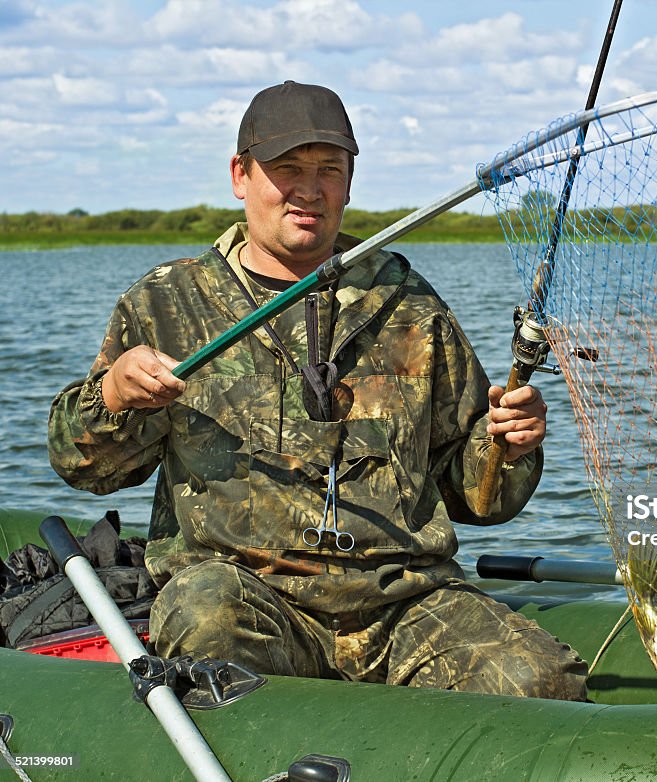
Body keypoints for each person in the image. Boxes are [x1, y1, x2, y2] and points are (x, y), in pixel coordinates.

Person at [48, 81, 588, 700]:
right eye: (287, 169)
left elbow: (478, 498)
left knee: (541, 680)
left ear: (351, 183)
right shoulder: (166, 303)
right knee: (205, 618)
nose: (309, 190)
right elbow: (83, 468)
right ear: (239, 175)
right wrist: (114, 397)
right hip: (249, 599)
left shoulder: (410, 305)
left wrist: (508, 446)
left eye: (328, 170)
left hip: (403, 607)